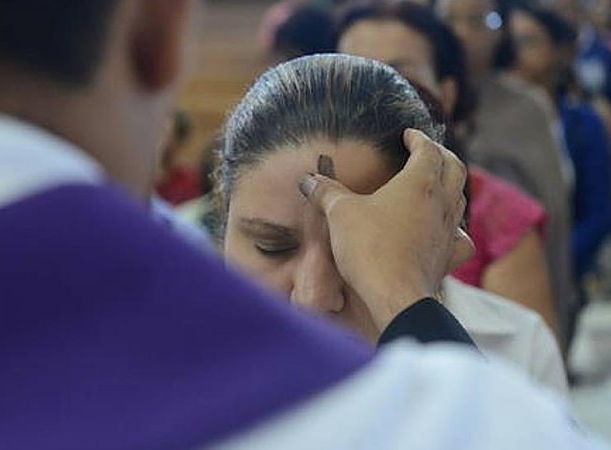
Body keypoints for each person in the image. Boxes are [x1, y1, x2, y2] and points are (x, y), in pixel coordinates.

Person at [0, 1, 605, 449]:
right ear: (160, 35)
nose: (313, 295)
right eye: (271, 243)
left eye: (359, 249)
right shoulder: (443, 423)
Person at [219, 53, 566, 395]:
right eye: (272, 248)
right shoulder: (177, 364)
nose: (313, 297)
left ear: (440, 236)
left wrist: (407, 304)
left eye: (352, 251)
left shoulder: (515, 351)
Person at [336, 1, 560, 341]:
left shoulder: (497, 215)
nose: (368, 99)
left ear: (446, 92)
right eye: (349, 77)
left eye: (398, 76)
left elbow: (523, 375)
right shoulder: (301, 200)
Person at [436, 0, 578, 347]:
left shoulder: (527, 106)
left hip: (520, 264)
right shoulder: (425, 102)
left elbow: (555, 209)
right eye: (452, 19)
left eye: (479, 21)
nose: (464, 33)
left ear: (503, 29)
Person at [510, 4, 611, 284]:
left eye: (529, 41)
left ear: (560, 51)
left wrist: (555, 261)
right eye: (512, 41)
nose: (517, 53)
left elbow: (599, 211)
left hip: (565, 267)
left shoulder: (582, 122)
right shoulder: (489, 123)